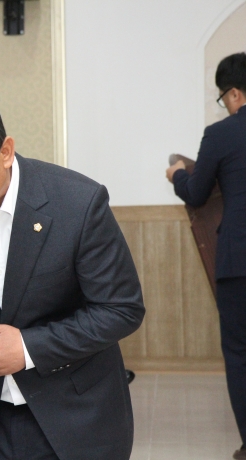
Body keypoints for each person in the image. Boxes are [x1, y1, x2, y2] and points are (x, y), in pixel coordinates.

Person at [0, 85, 145, 460]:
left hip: (75, 418)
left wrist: (28, 348)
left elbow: (121, 309)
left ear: (4, 152)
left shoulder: (77, 203)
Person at [165, 52, 246, 460]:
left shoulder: (221, 134)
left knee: (240, 354)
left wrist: (177, 174)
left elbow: (197, 194)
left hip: (239, 260)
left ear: (234, 94)